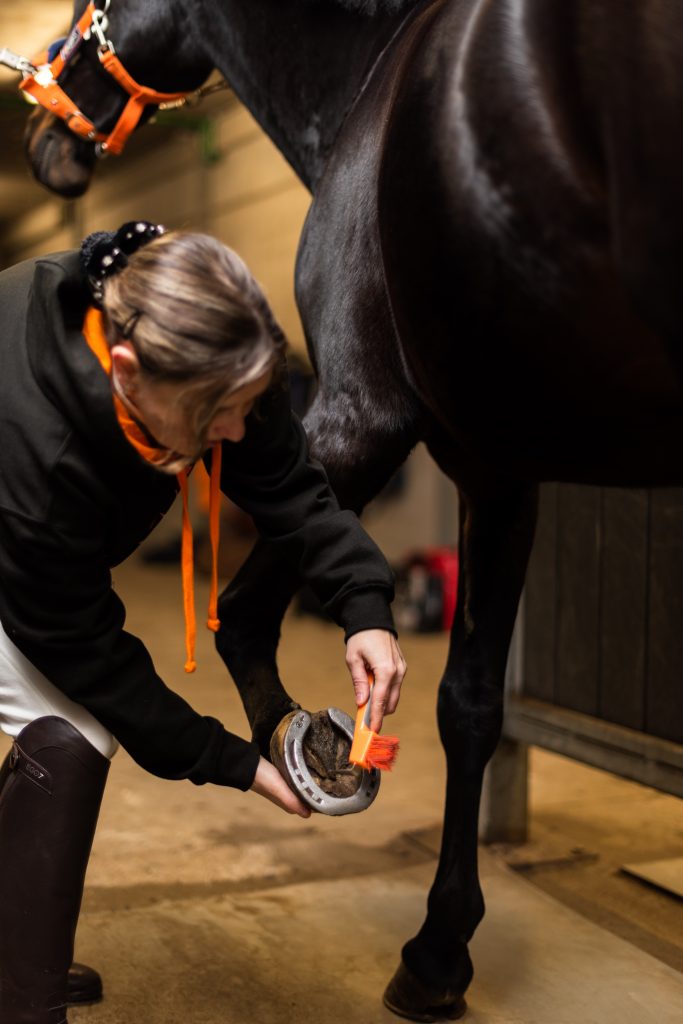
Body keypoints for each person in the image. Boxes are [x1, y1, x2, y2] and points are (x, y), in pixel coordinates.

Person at [0, 221, 406, 1022]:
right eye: (216, 414)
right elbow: (88, 653)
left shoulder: (199, 338)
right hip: (10, 516)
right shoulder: (42, 457)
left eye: (248, 406)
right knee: (72, 725)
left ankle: (14, 947)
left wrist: (364, 607)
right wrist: (232, 763)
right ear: (126, 371)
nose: (233, 431)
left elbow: (290, 487)